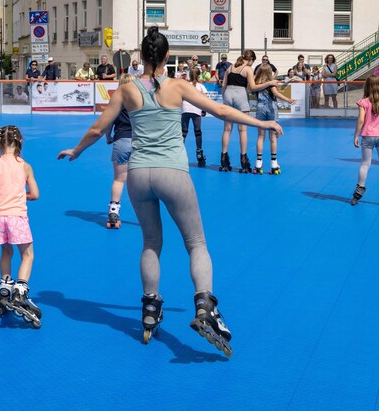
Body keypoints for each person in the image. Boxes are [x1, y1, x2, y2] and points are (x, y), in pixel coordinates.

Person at [58, 27, 282, 355]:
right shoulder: (178, 86)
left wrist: (76, 151)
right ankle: (205, 306)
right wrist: (263, 124)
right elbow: (221, 111)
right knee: (196, 243)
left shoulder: (126, 89)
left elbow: (98, 127)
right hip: (172, 171)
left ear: (142, 56)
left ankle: (150, 308)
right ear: (165, 57)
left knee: (151, 243)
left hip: (138, 174)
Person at [0, 125, 41, 327]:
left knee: (6, 252)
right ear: (19, 142)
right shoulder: (25, 166)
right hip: (16, 215)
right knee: (27, 254)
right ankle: (21, 291)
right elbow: (35, 194)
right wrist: (22, 195)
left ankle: (5, 287)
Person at [220, 50, 278, 173]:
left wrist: (224, 97)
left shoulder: (230, 67)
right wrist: (269, 83)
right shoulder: (247, 69)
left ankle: (224, 159)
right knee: (242, 129)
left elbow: (223, 85)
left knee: (227, 129)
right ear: (250, 59)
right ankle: (244, 160)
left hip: (228, 94)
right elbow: (253, 87)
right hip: (240, 95)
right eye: (253, 61)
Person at [352, 75, 379, 206]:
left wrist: (356, 135)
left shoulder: (363, 102)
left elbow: (361, 120)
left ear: (367, 86)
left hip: (367, 136)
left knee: (365, 164)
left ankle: (359, 191)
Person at [252, 64, 296, 174]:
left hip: (260, 107)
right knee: (272, 137)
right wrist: (288, 100)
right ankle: (274, 162)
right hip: (271, 107)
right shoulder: (271, 83)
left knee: (260, 136)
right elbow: (276, 93)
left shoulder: (256, 83)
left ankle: (258, 162)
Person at [105, 74, 136, 228]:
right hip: (140, 142)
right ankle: (148, 211)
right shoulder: (140, 101)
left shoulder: (116, 101)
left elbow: (108, 122)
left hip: (121, 140)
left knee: (119, 179)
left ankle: (113, 210)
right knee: (142, 180)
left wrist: (108, 137)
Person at [181, 69, 208, 167]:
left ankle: (179, 154)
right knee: (197, 132)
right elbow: (204, 99)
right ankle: (199, 154)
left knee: (183, 132)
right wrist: (203, 110)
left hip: (185, 109)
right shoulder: (201, 86)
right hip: (196, 110)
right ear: (199, 76)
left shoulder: (186, 85)